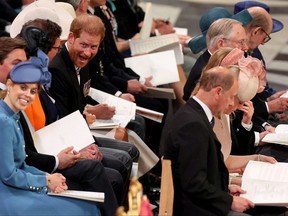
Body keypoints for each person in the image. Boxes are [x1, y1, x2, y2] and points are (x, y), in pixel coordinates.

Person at [0, 49, 101, 215]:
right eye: (23, 88)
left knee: (88, 205)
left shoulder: (13, 116)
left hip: (16, 187)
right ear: (9, 85)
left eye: (33, 91)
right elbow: (9, 175)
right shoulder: (4, 121)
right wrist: (45, 180)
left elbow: (22, 165)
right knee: (83, 209)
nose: (27, 95)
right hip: (7, 195)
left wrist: (49, 176)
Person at [165, 65, 256, 215]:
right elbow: (193, 183)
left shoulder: (194, 113)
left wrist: (225, 189)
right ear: (218, 92)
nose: (232, 103)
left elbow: (201, 172)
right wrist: (229, 201)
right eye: (231, 96)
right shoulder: (192, 125)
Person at [183, 7, 252, 101]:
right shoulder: (205, 74)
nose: (245, 47)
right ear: (221, 44)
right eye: (240, 42)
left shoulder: (216, 62)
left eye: (245, 41)